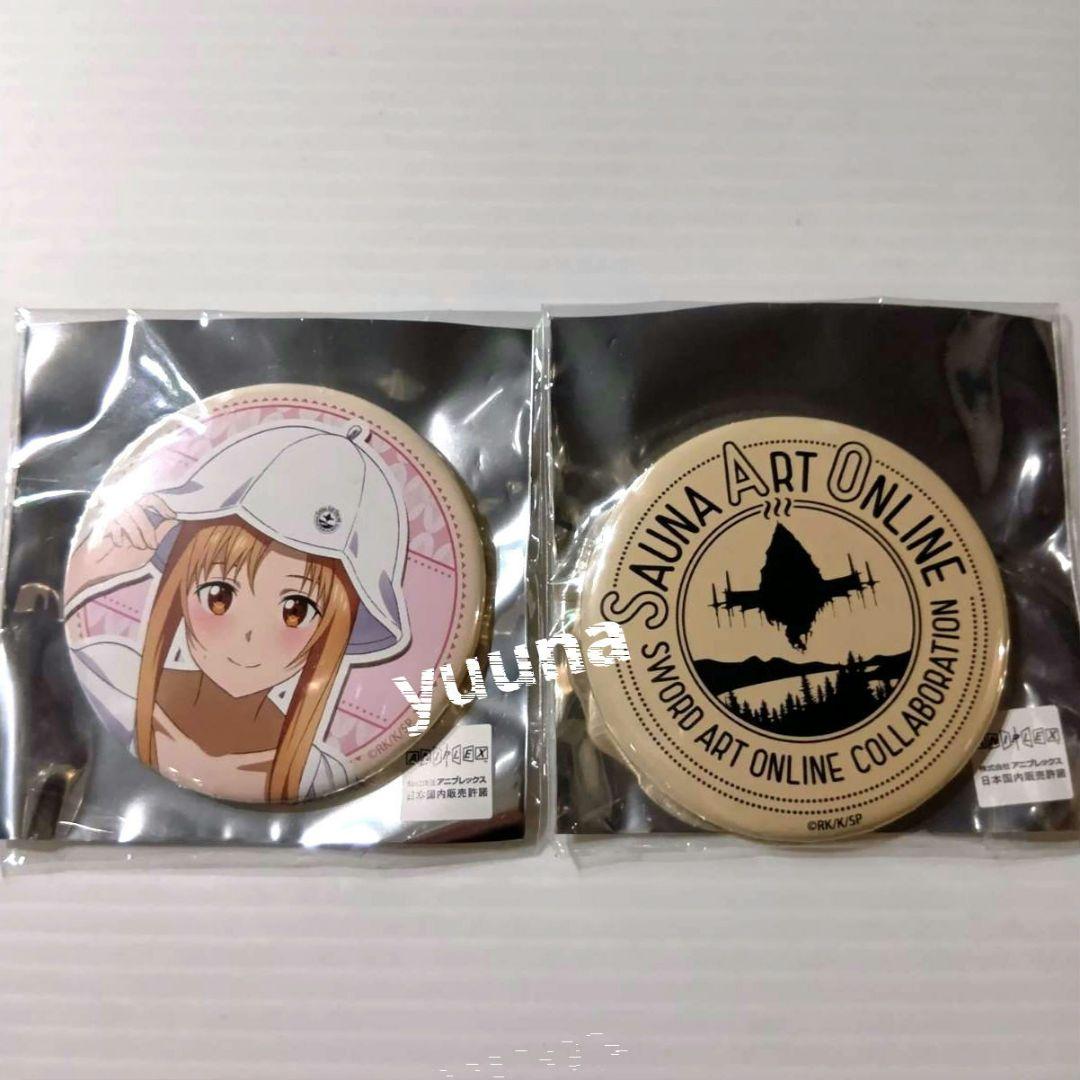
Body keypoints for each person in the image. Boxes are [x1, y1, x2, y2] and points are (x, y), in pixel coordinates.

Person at [64, 421, 411, 803]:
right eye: (220, 595)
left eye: (295, 611)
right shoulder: (110, 677)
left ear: (333, 629)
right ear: (180, 580)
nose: (249, 635)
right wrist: (95, 565)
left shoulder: (318, 773)